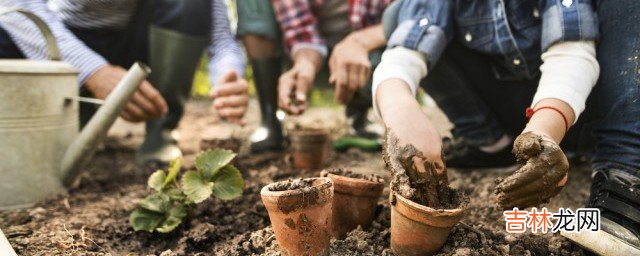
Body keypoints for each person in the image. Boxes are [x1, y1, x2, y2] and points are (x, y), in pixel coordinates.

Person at [375, 0, 638, 253]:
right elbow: (406, 49)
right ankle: (491, 144)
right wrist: (400, 109)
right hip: (515, 111)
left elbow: (571, 53)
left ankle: (624, 170)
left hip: (585, 108)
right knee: (396, 14)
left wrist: (545, 130)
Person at [0, 0, 249, 165]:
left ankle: (160, 131)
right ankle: (69, 121)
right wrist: (92, 71)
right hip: (69, 39)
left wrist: (229, 75)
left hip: (141, 43)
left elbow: (221, 39)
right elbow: (14, 6)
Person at [236, 0, 392, 153]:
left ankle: (359, 111)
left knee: (401, 45)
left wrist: (358, 43)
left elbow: (409, 15)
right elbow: (300, 30)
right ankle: (270, 119)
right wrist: (306, 64)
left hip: (369, 57)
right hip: (300, 55)